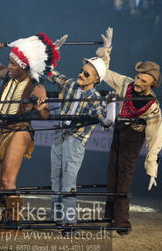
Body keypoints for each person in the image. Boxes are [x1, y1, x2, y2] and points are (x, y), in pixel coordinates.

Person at [47, 29, 116, 234]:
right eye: (81, 70)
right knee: (55, 178)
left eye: (86, 74)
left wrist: (111, 106)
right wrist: (53, 52)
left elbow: (107, 122)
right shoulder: (69, 85)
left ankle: (69, 223)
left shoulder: (95, 98)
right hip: (59, 135)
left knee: (68, 181)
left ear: (95, 79)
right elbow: (48, 73)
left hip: (75, 141)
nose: (80, 74)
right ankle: (58, 219)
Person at [96, 27, 162, 235]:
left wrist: (152, 168)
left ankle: (122, 222)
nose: (138, 82)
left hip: (134, 138)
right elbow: (103, 73)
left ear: (151, 84)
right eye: (138, 77)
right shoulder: (125, 83)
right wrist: (106, 49)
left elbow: (155, 136)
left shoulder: (152, 105)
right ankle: (109, 217)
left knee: (123, 179)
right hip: (118, 132)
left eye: (144, 81)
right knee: (111, 177)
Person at [0, 33, 59, 222]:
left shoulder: (36, 87)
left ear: (24, 66)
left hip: (20, 131)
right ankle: (3, 216)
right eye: (9, 63)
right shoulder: (9, 75)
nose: (8, 67)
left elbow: (45, 116)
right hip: (1, 130)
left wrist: (41, 107)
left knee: (7, 181)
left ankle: (13, 222)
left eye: (12, 64)